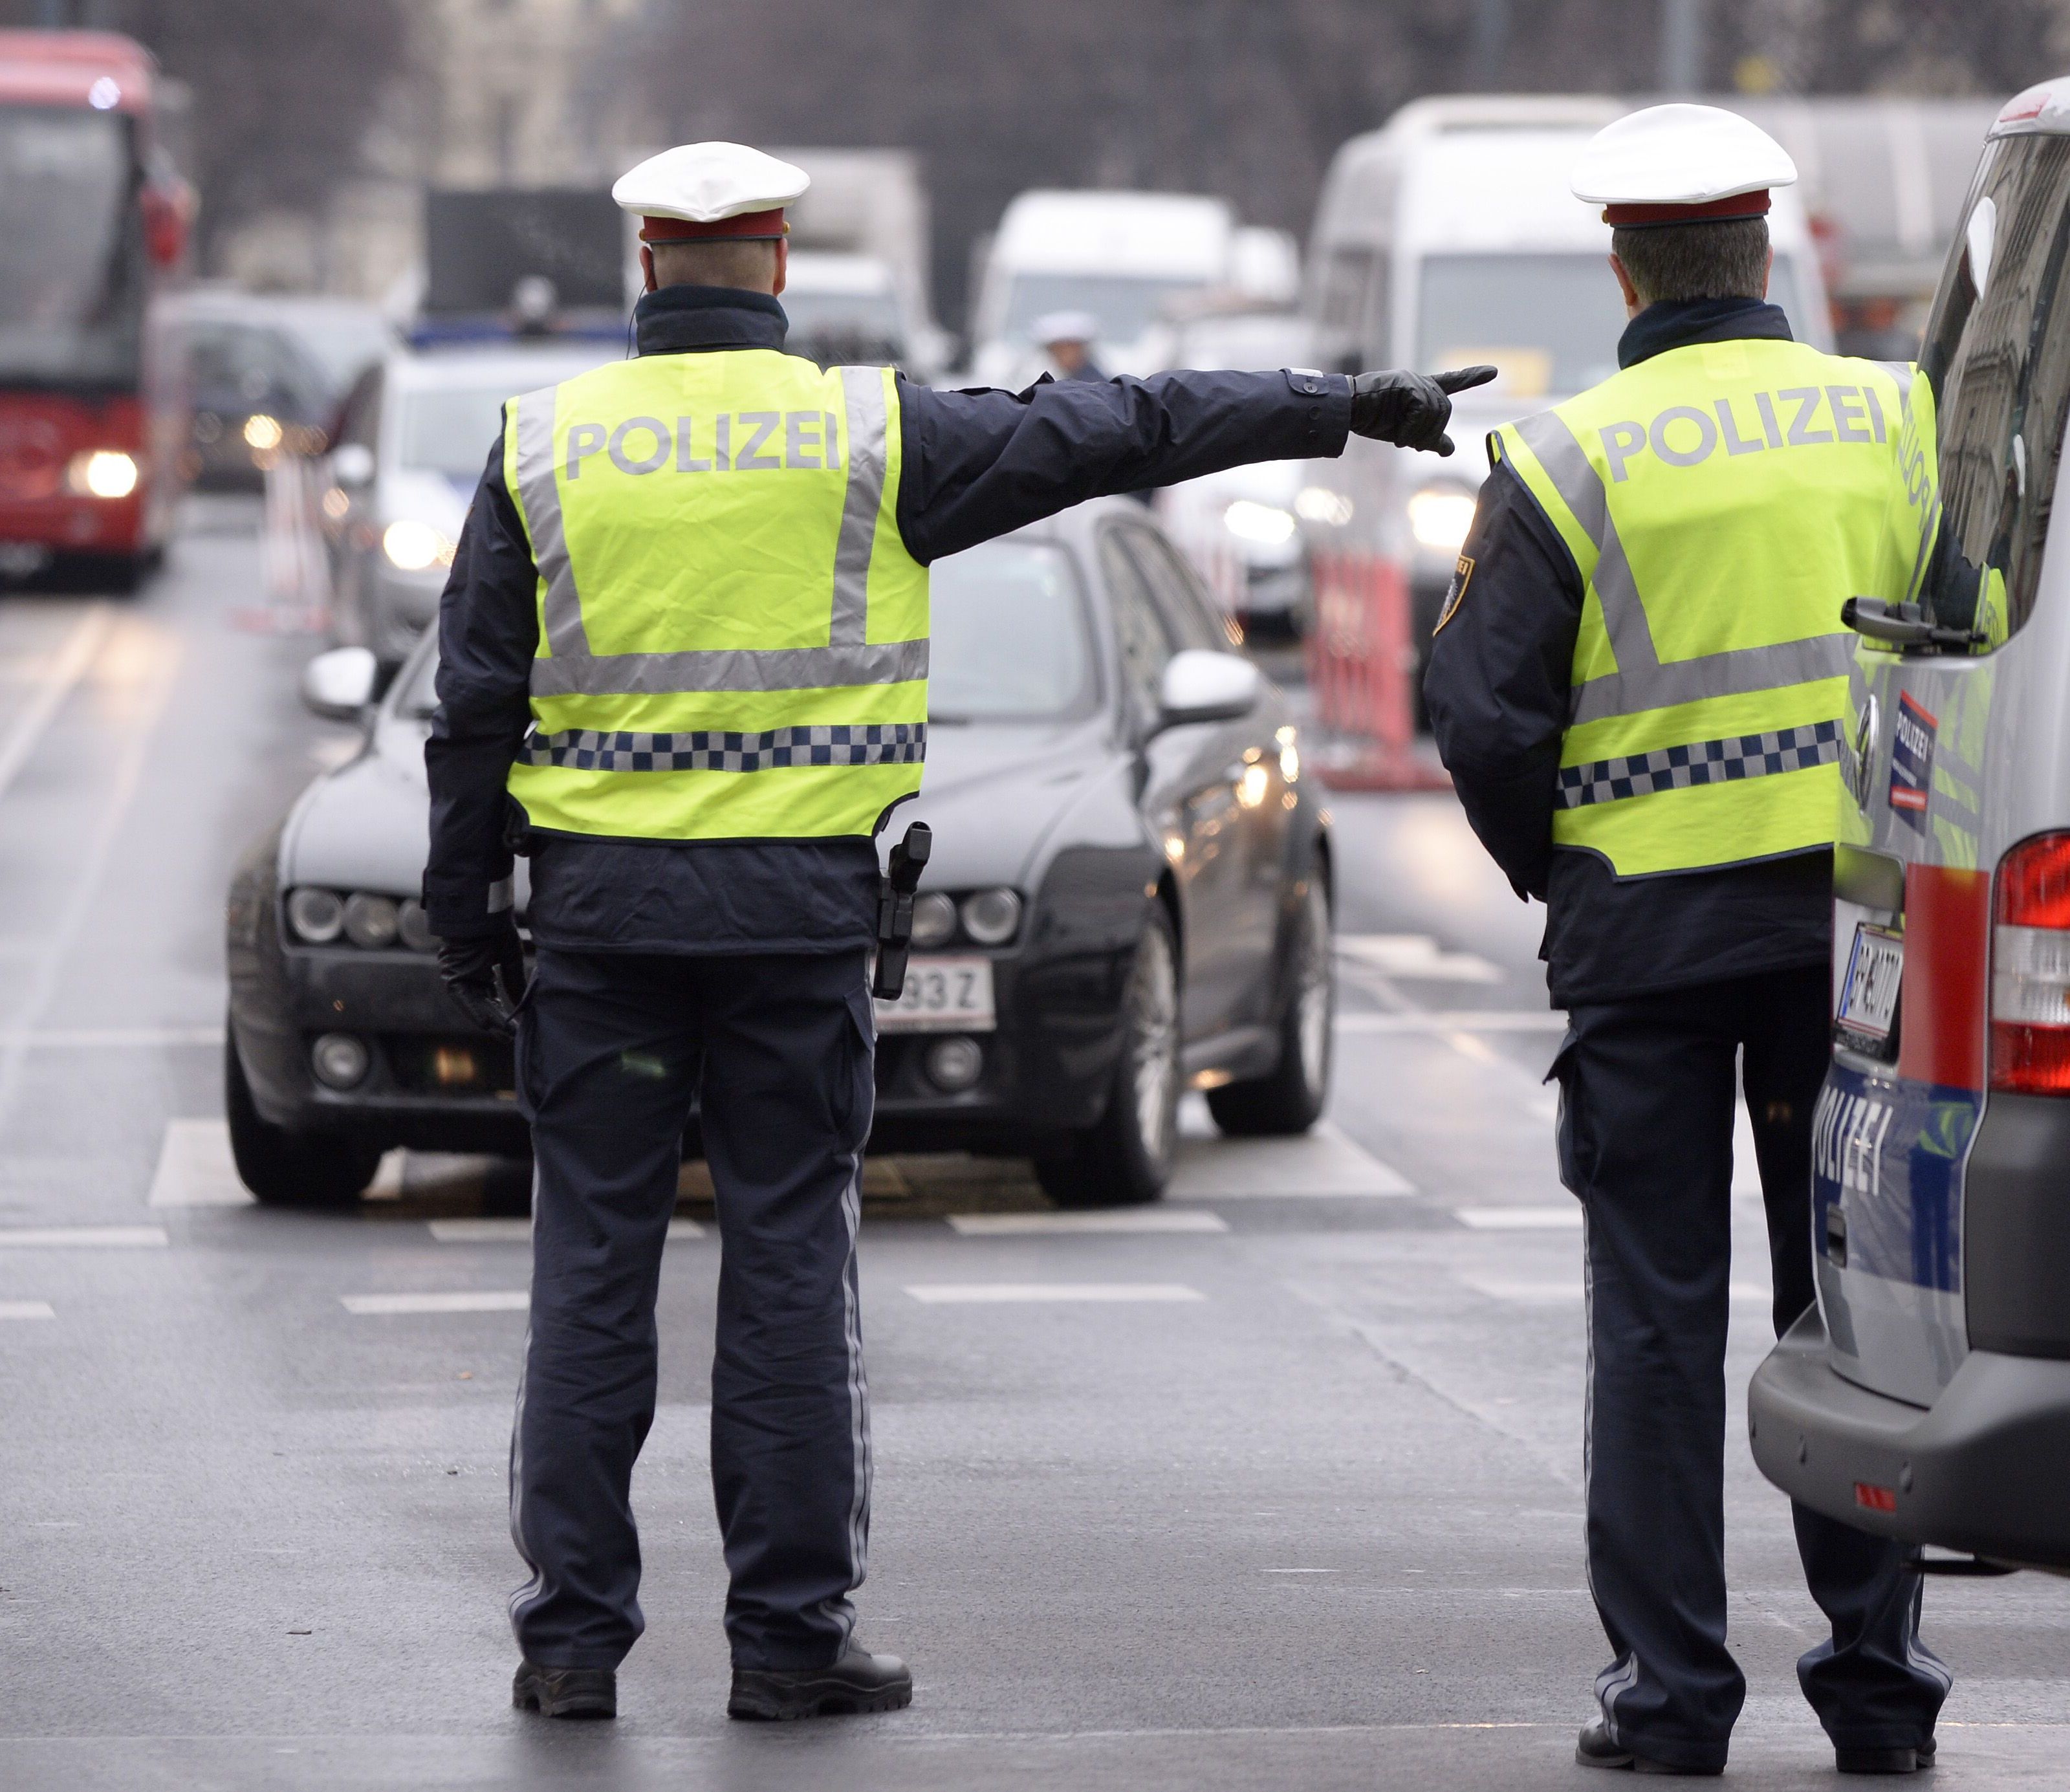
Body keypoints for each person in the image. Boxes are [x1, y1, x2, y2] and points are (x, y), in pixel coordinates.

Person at [424, 140, 1492, 1725]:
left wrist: (466, 908)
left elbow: (473, 708)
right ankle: (789, 1640)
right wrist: (1341, 401)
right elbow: (1126, 423)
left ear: (644, 264)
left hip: (603, 929)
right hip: (795, 930)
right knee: (788, 1258)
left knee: (593, 1263)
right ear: (776, 263)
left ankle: (572, 1638)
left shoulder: (543, 445)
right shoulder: (874, 434)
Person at [1424, 104, 1948, 1778]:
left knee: (1653, 1316)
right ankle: (1877, 1686)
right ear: (1769, 250)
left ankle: (1671, 1698)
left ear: (1623, 262)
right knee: (1852, 1315)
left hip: (1645, 941)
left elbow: (1483, 715)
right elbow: (1972, 640)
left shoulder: (1567, 456)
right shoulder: (1899, 419)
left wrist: (1562, 868)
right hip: (1857, 945)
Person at [1030, 309, 1107, 381]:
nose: (1065, 355)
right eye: (1058, 350)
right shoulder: (1055, 378)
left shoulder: (1096, 385)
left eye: (1070, 348)